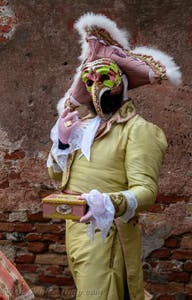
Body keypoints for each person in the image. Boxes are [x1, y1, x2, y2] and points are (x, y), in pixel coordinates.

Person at [47, 13, 181, 300]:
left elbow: (146, 192)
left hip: (109, 234)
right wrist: (61, 141)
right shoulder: (81, 128)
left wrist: (108, 202)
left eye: (106, 77)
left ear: (122, 81)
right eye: (91, 79)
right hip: (75, 231)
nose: (98, 86)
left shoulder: (140, 131)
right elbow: (58, 177)